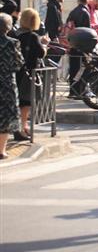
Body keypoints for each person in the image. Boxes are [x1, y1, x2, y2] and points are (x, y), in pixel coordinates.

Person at [14, 9, 46, 141]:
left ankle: (22, 127)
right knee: (25, 103)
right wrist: (44, 45)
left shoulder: (15, 34)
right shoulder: (32, 36)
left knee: (18, 102)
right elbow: (40, 53)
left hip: (16, 72)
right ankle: (21, 129)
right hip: (28, 73)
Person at [0, 13, 22, 159]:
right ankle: (1, 150)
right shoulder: (13, 43)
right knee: (6, 117)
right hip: (7, 84)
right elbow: (19, 63)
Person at [66, 0, 91, 99]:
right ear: (87, 0)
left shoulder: (73, 12)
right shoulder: (85, 13)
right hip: (82, 45)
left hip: (72, 44)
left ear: (78, 1)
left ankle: (72, 90)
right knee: (84, 68)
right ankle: (80, 90)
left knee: (73, 68)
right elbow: (87, 30)